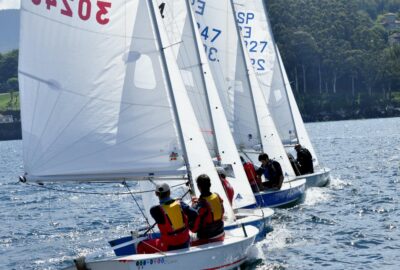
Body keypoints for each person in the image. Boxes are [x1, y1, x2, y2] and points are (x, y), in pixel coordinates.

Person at [136, 183, 197, 254]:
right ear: (170, 192)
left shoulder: (155, 210)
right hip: (185, 241)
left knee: (141, 245)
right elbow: (194, 214)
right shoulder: (180, 204)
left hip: (169, 245)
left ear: (156, 194)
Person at [191, 174, 225, 246]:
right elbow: (222, 211)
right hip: (220, 233)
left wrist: (193, 207)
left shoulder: (200, 205)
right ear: (210, 184)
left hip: (206, 238)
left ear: (198, 187)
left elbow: (194, 229)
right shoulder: (217, 196)